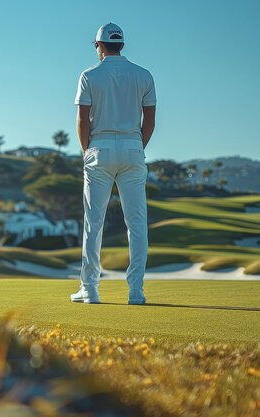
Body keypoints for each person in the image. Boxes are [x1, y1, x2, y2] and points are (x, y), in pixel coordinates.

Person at [71, 22, 156, 305]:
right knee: (137, 222)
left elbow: (83, 120)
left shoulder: (89, 75)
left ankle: (90, 290)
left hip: (100, 149)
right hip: (133, 148)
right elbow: (150, 120)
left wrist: (87, 152)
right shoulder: (143, 75)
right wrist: (137, 148)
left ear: (99, 45)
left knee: (93, 222)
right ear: (121, 44)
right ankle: (136, 291)